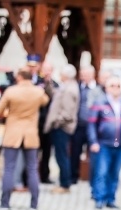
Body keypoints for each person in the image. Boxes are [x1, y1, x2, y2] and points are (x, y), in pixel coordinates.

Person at [0, 67, 49, 210]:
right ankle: (34, 204)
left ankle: (5, 203)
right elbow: (45, 101)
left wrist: (8, 112)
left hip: (13, 132)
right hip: (30, 133)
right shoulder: (38, 91)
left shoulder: (11, 91)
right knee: (32, 169)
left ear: (20, 77)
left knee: (9, 168)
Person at [88, 76, 121, 209]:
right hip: (104, 143)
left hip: (120, 144)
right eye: (112, 86)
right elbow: (92, 124)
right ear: (107, 88)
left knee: (115, 173)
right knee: (102, 172)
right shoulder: (100, 102)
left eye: (118, 86)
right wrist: (93, 141)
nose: (115, 89)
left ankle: (110, 198)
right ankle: (99, 198)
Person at [43, 64, 80, 194]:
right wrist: (48, 83)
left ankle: (65, 184)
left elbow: (68, 113)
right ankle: (64, 182)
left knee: (62, 156)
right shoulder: (66, 87)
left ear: (66, 75)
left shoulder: (70, 90)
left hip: (62, 128)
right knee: (61, 155)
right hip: (60, 126)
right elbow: (55, 95)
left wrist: (56, 122)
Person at [72, 65, 104, 186]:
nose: (84, 77)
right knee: (75, 151)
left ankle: (93, 178)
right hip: (79, 124)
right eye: (82, 75)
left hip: (93, 126)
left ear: (92, 75)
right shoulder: (78, 87)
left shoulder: (98, 89)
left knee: (94, 153)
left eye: (86, 75)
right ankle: (74, 176)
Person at [37, 60, 58, 184]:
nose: (47, 72)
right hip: (37, 123)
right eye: (45, 69)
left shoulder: (55, 85)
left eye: (49, 70)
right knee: (34, 151)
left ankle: (45, 175)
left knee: (47, 151)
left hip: (49, 123)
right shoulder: (36, 83)